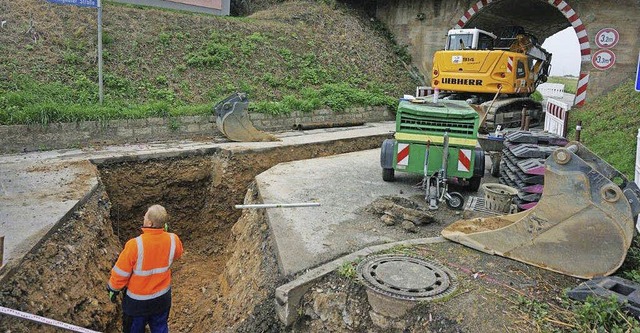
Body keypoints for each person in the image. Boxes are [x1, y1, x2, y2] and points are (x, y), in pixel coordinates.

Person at [107, 204, 183, 333]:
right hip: (162, 299)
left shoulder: (134, 245)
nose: (143, 217)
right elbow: (178, 254)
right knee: (160, 328)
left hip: (137, 304)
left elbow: (121, 273)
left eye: (145, 216)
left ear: (150, 222)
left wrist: (113, 289)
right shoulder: (173, 239)